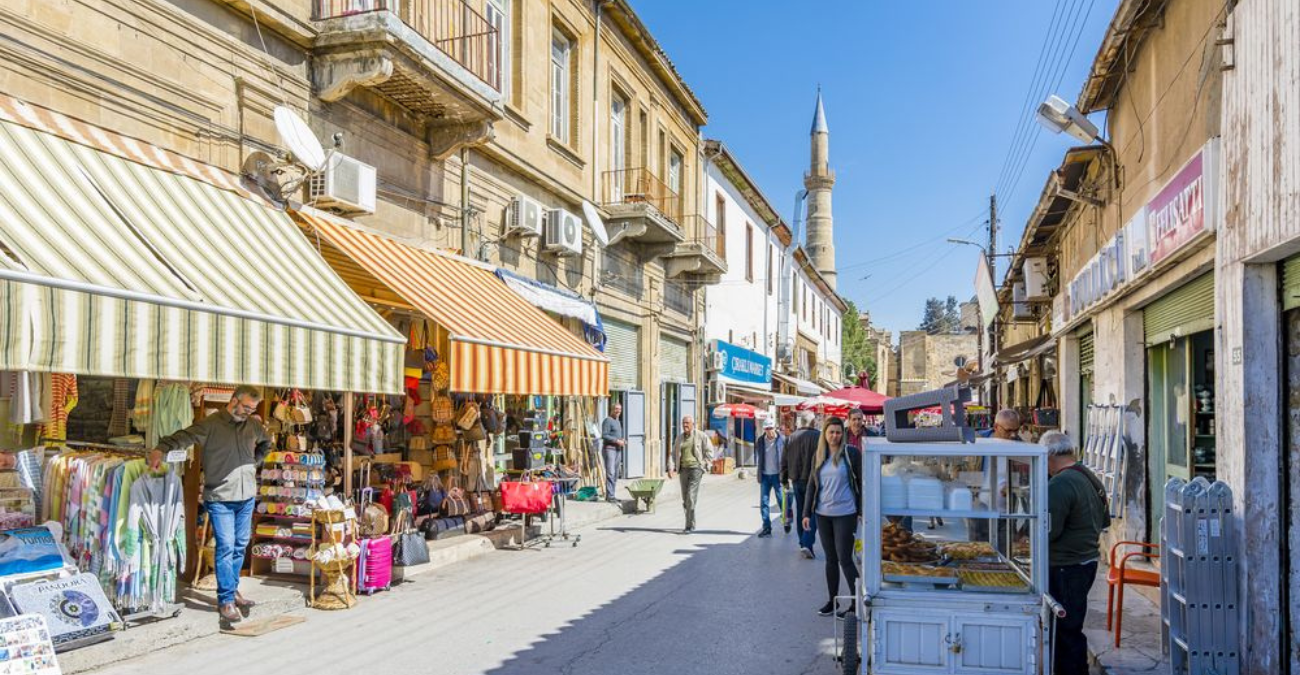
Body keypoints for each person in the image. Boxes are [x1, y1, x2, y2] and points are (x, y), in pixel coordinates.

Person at [149, 385, 270, 624]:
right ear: (234, 400)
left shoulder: (253, 425)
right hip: (221, 497)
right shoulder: (211, 424)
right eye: (245, 407)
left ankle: (233, 590)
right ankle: (225, 600)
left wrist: (253, 462)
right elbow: (183, 436)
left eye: (252, 408)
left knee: (239, 546)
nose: (248, 412)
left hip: (246, 496)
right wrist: (159, 450)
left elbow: (266, 443)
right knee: (225, 546)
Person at [1043, 430, 1109, 675]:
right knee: (1070, 625)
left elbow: (1049, 531)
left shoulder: (1060, 483)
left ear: (1049, 455)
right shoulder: (1088, 475)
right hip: (1086, 561)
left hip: (1067, 566)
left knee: (1066, 630)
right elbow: (1104, 520)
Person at [802, 416, 862, 617]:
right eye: (831, 432)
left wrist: (861, 511)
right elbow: (812, 484)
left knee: (845, 558)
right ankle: (832, 601)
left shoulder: (850, 454)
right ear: (824, 434)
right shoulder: (819, 455)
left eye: (838, 432)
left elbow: (861, 483)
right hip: (822, 514)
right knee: (830, 559)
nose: (835, 436)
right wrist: (806, 513)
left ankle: (856, 603)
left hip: (845, 514)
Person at [782, 411, 820, 558]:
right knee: (813, 511)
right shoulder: (818, 437)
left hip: (796, 480)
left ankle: (802, 541)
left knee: (800, 510)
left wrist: (784, 479)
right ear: (812, 423)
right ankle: (807, 542)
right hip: (814, 480)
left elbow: (784, 461)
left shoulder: (790, 438)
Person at [668, 415, 713, 533]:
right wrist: (671, 467)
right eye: (683, 423)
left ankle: (689, 526)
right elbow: (673, 454)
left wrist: (705, 464)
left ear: (693, 424)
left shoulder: (700, 436)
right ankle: (690, 521)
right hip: (683, 470)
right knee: (685, 499)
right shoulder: (679, 438)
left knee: (690, 497)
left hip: (696, 469)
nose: (685, 425)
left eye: (687, 423)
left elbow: (709, 450)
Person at [754, 418, 789, 537]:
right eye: (767, 429)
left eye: (771, 428)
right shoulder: (760, 441)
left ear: (775, 428)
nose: (769, 431)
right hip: (764, 475)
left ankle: (786, 521)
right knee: (764, 502)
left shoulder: (783, 440)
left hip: (777, 476)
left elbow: (787, 458)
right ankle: (767, 527)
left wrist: (786, 474)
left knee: (781, 501)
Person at [600, 403, 625, 503]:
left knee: (615, 474)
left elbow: (616, 436)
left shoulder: (618, 422)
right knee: (610, 472)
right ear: (612, 409)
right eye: (616, 409)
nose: (618, 411)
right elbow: (604, 435)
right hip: (610, 449)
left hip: (618, 450)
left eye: (619, 409)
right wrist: (616, 440)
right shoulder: (608, 420)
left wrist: (622, 440)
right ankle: (610, 496)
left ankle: (612, 495)